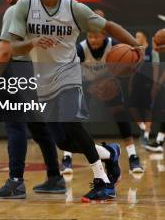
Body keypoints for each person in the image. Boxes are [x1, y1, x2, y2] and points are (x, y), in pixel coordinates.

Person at [9, 0, 142, 202]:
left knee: (71, 123)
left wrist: (136, 45)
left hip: (69, 75)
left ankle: (103, 181)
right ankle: (109, 153)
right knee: (63, 141)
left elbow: (108, 26)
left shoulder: (74, 8)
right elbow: (12, 46)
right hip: (43, 82)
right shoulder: (25, 6)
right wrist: (33, 42)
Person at [0, 0, 64, 199]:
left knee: (15, 128)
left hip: (18, 71)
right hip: (41, 73)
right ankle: (55, 177)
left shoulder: (15, 11)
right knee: (40, 129)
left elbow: (5, 51)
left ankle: (15, 181)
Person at [60, 10, 144, 174]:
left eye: (96, 37)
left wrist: (112, 80)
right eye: (90, 36)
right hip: (85, 84)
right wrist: (89, 87)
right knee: (72, 119)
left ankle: (133, 156)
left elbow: (125, 70)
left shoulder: (115, 47)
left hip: (109, 82)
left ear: (104, 35)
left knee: (120, 114)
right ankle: (67, 158)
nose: (93, 40)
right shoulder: (81, 49)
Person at [130, 31, 160, 149]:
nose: (136, 38)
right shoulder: (137, 51)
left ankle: (146, 134)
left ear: (144, 37)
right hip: (137, 83)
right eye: (135, 36)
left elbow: (156, 68)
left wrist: (155, 84)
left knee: (148, 109)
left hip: (148, 83)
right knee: (132, 108)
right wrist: (131, 82)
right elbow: (133, 69)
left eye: (138, 36)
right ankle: (143, 127)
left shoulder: (152, 51)